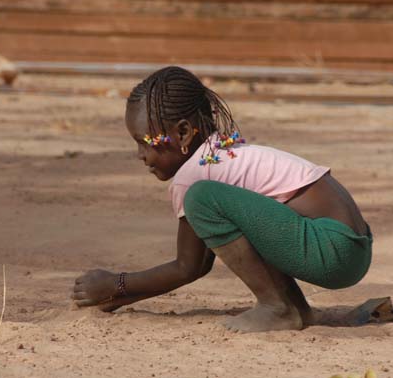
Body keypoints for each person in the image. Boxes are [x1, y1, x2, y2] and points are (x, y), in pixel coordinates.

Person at [72, 66, 372, 332]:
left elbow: (187, 268)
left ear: (184, 133)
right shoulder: (220, 156)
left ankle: (278, 308)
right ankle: (293, 308)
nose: (141, 156)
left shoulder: (197, 177)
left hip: (334, 249)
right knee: (213, 200)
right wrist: (119, 298)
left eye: (145, 142)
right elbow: (200, 265)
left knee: (201, 197)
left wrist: (116, 283)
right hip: (349, 248)